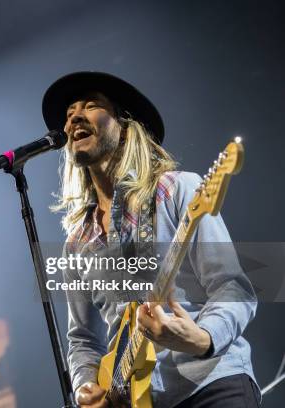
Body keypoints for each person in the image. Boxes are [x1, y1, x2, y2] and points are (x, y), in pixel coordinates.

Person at [43, 72, 259, 408]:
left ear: (126, 126)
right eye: (70, 112)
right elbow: (84, 339)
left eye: (91, 105)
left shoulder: (177, 189)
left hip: (211, 384)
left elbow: (233, 287)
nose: (74, 117)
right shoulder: (76, 244)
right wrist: (86, 386)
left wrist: (203, 338)